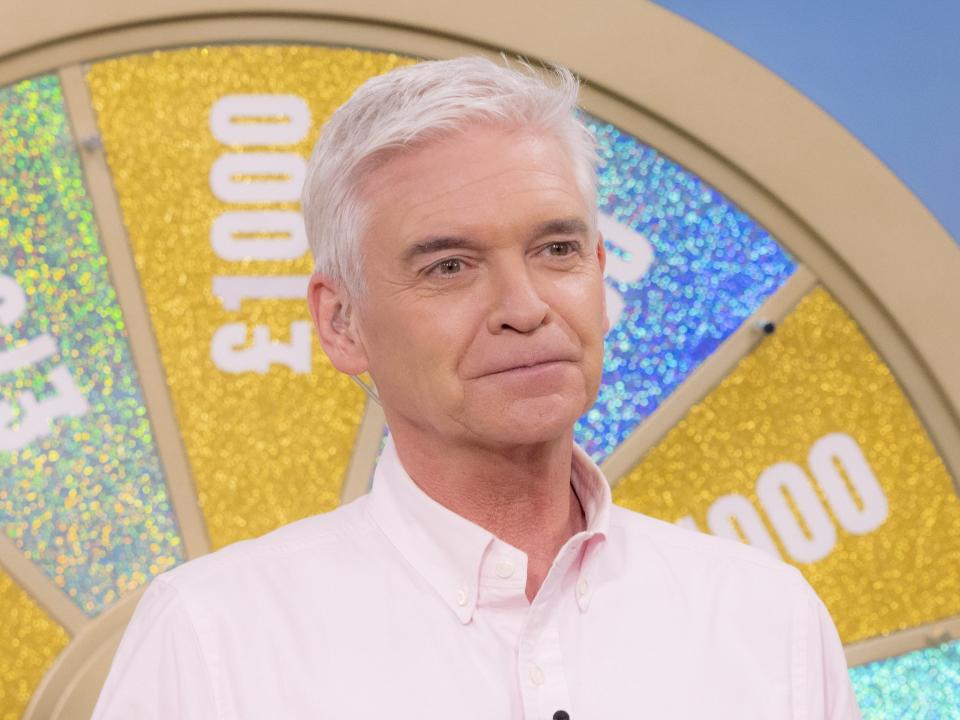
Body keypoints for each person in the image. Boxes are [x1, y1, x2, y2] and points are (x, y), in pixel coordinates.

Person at [93, 56, 861, 719]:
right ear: (342, 324)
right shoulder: (212, 640)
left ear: (598, 274)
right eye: (449, 267)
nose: (525, 309)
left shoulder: (767, 621)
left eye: (556, 249)